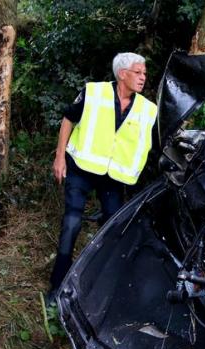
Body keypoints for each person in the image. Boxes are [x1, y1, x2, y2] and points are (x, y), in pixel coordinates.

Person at [47, 53, 158, 300]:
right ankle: (56, 287)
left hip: (114, 179)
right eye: (138, 73)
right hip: (82, 169)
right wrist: (59, 157)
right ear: (122, 74)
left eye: (144, 73)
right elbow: (68, 118)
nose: (143, 78)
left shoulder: (148, 109)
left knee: (113, 231)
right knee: (72, 224)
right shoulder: (93, 93)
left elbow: (155, 142)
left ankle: (97, 290)